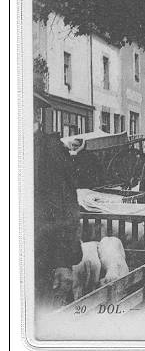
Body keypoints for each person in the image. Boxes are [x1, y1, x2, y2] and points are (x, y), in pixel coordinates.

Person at [33, 98, 83, 309]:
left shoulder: (51, 151)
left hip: (41, 257)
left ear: (36, 115)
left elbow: (65, 206)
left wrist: (63, 261)